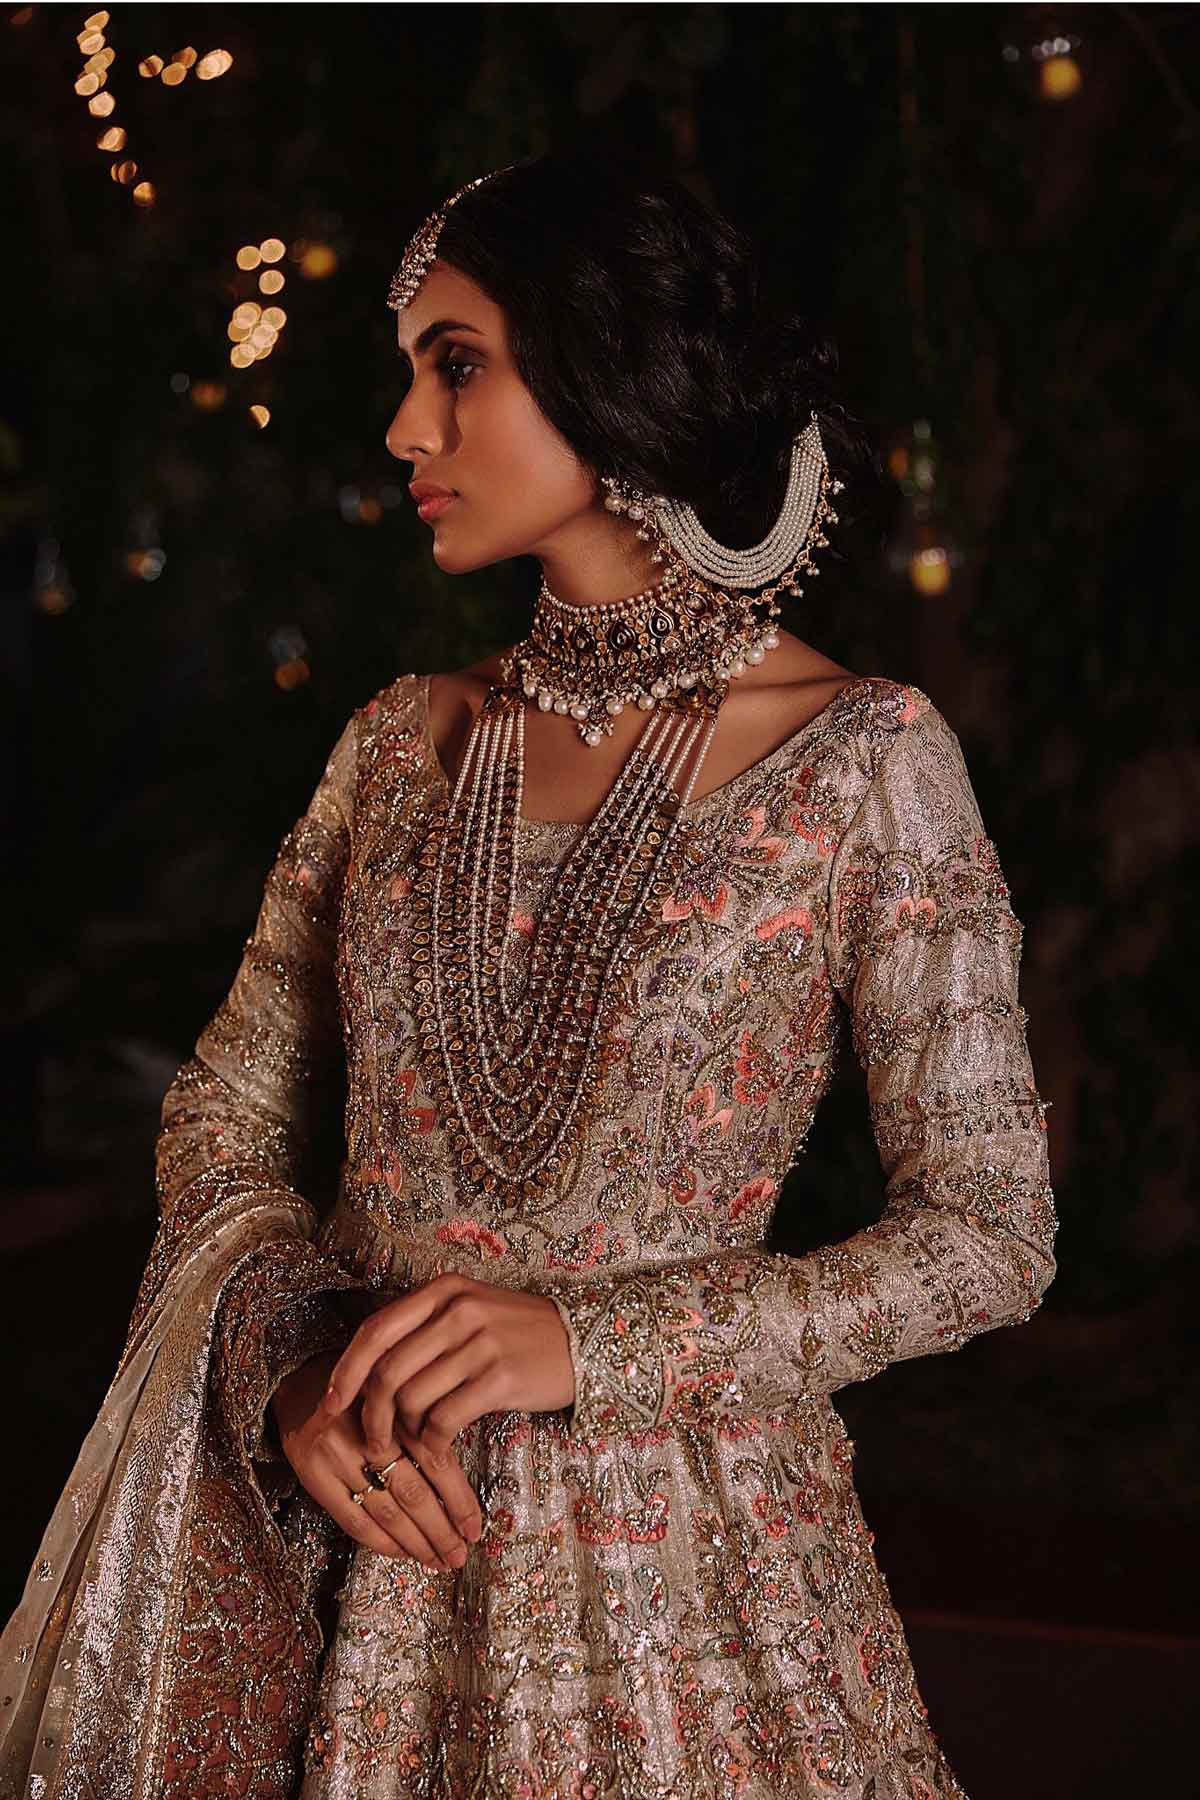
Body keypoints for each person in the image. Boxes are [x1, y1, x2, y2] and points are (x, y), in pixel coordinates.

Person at [0, 147, 1057, 1799]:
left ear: (606, 368)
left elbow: (989, 1235)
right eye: (408, 376)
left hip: (686, 1592)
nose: (407, 432)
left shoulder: (858, 759)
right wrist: (288, 1362)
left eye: (459, 366)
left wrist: (595, 1346)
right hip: (359, 1547)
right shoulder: (401, 749)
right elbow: (221, 1112)